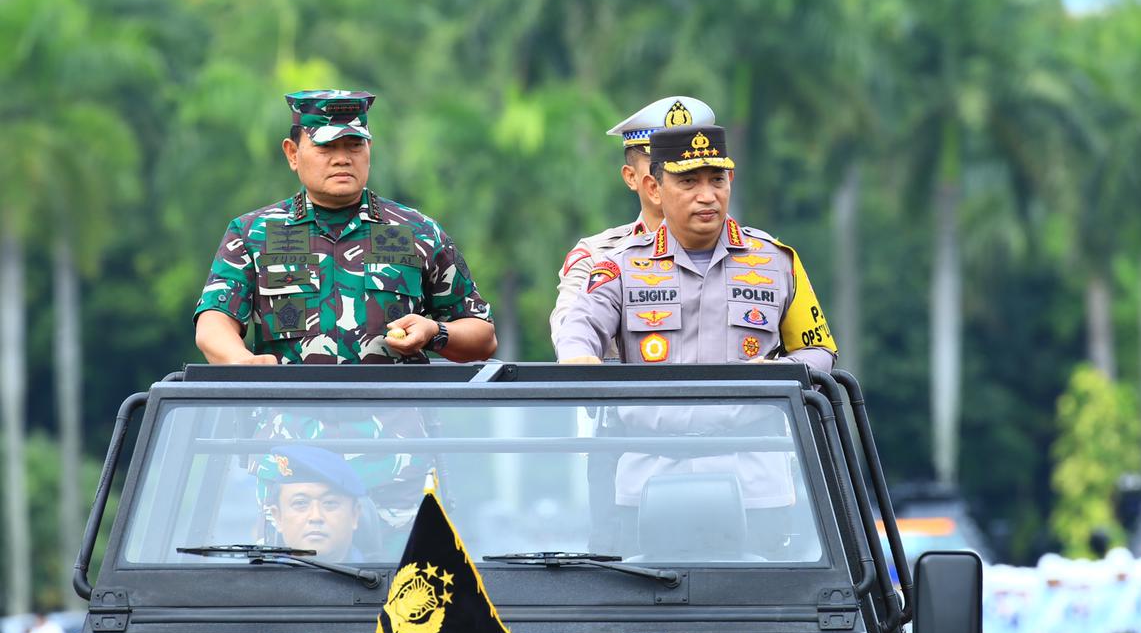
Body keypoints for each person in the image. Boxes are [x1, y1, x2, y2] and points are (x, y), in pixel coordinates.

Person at [194, 89, 497, 365]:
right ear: (292, 154)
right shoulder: (253, 234)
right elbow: (213, 324)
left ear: (369, 148)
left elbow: (483, 336)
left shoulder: (417, 232)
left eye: (354, 146)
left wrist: (434, 332)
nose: (342, 159)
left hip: (393, 409)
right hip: (292, 408)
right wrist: (240, 360)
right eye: (326, 147)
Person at [554, 123, 837, 370]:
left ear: (730, 181)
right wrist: (578, 356)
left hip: (749, 418)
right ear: (654, 189)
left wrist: (780, 373)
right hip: (650, 419)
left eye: (717, 180)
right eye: (689, 181)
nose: (707, 196)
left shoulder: (777, 262)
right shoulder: (621, 267)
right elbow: (579, 328)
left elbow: (819, 349)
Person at [550, 95, 715, 356]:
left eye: (692, 169)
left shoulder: (752, 255)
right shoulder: (597, 257)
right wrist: (579, 352)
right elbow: (569, 330)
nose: (676, 175)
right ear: (632, 177)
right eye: (662, 166)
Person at [256, 444, 368, 562]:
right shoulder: (260, 574)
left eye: (330, 503)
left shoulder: (380, 573)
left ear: (355, 515)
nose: (316, 517)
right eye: (300, 503)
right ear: (278, 517)